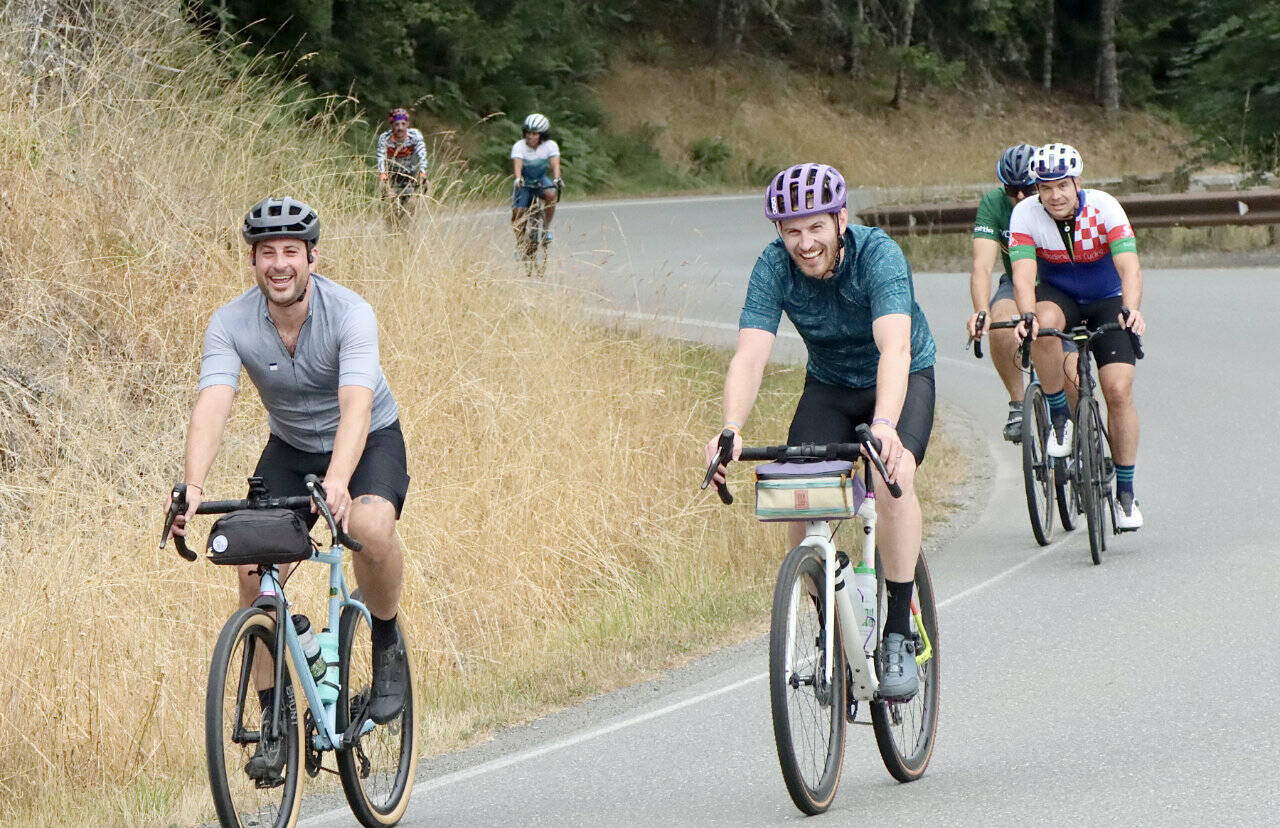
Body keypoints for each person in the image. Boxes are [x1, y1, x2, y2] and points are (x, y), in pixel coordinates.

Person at [166, 196, 412, 780]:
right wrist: (193, 485)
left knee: (367, 525)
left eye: (291, 252)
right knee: (253, 570)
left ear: (311, 258)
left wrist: (338, 483)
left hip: (368, 438)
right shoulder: (230, 322)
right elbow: (213, 403)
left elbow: (356, 407)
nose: (280, 264)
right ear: (253, 261)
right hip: (292, 447)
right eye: (267, 252)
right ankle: (273, 721)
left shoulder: (350, 313)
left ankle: (385, 641)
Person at [704, 163, 937, 700]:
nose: (805, 243)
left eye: (816, 227)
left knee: (892, 479)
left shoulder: (878, 256)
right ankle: (832, 625)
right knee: (796, 493)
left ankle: (897, 631)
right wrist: (730, 428)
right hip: (830, 384)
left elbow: (895, 347)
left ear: (840, 220)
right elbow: (750, 355)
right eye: (792, 231)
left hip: (901, 377)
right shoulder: (773, 267)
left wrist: (885, 426)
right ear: (779, 233)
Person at [1010, 143, 1146, 530]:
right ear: (1037, 189)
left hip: (1107, 299)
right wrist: (1026, 315)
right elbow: (1023, 274)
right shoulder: (1025, 213)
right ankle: (1060, 419)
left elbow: (1129, 267)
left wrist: (1130, 308)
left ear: (1077, 183)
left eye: (1062, 186)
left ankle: (1125, 494)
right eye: (1045, 187)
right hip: (1060, 297)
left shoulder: (1104, 207)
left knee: (1117, 390)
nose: (1054, 195)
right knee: (1041, 325)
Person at [966, 143, 1037, 442]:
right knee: (999, 322)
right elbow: (982, 266)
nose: (1019, 196)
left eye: (1027, 189)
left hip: (1054, 281)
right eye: (1011, 189)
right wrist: (981, 310)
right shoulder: (994, 203)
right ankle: (1018, 404)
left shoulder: (1052, 200)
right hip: (1016, 280)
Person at [510, 113, 562, 247]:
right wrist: (518, 178)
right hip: (524, 182)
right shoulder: (519, 146)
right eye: (528, 133)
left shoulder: (550, 145)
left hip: (540, 179)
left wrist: (557, 178)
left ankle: (546, 227)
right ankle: (520, 243)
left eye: (534, 134)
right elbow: (518, 163)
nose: (530, 136)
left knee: (551, 195)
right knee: (518, 213)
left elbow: (555, 163)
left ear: (542, 135)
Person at [377, 108, 429, 208]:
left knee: (412, 203)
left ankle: (413, 212)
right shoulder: (384, 138)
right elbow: (380, 157)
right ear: (392, 125)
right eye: (397, 124)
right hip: (392, 176)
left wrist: (423, 173)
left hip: (410, 175)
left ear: (407, 124)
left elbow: (422, 155)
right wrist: (382, 174)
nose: (400, 128)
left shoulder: (415, 136)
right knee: (390, 203)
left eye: (403, 124)